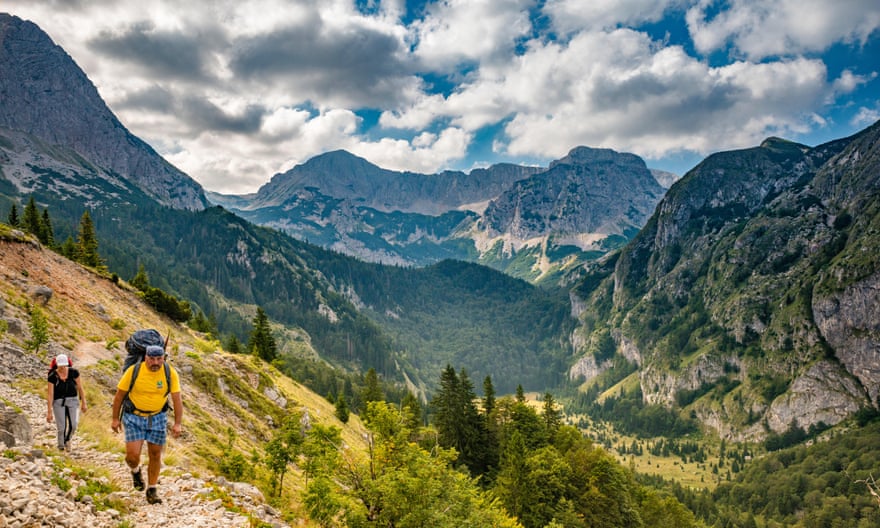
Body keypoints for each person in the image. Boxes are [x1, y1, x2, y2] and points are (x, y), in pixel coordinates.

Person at [111, 345, 182, 505]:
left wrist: (177, 423)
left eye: (159, 359)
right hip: (134, 416)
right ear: (145, 357)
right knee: (132, 455)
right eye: (152, 359)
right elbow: (119, 396)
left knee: (155, 454)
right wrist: (115, 419)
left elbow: (177, 399)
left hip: (157, 417)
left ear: (164, 357)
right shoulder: (134, 371)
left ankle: (152, 489)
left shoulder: (170, 373)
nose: (155, 362)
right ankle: (135, 471)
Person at [46, 353, 87, 451]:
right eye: (60, 366)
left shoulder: (74, 372)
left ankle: (67, 440)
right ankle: (61, 447)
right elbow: (50, 394)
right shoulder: (52, 376)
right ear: (57, 365)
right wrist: (49, 412)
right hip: (58, 402)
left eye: (64, 365)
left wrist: (84, 402)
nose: (62, 367)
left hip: (73, 400)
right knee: (61, 427)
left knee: (74, 424)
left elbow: (80, 388)